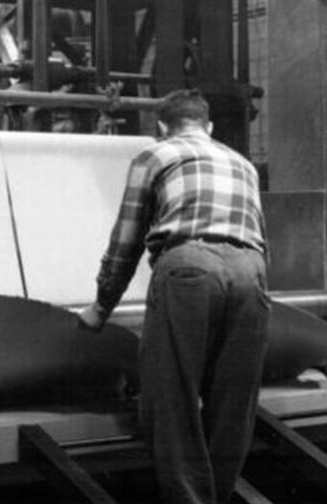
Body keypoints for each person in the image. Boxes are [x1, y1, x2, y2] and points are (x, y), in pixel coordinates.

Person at [79, 89, 269, 504]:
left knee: (172, 398)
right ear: (209, 126)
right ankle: (215, 497)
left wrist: (101, 306)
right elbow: (260, 239)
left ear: (161, 127)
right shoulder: (243, 164)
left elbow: (126, 238)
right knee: (233, 400)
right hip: (251, 271)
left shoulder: (155, 155)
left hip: (189, 268)